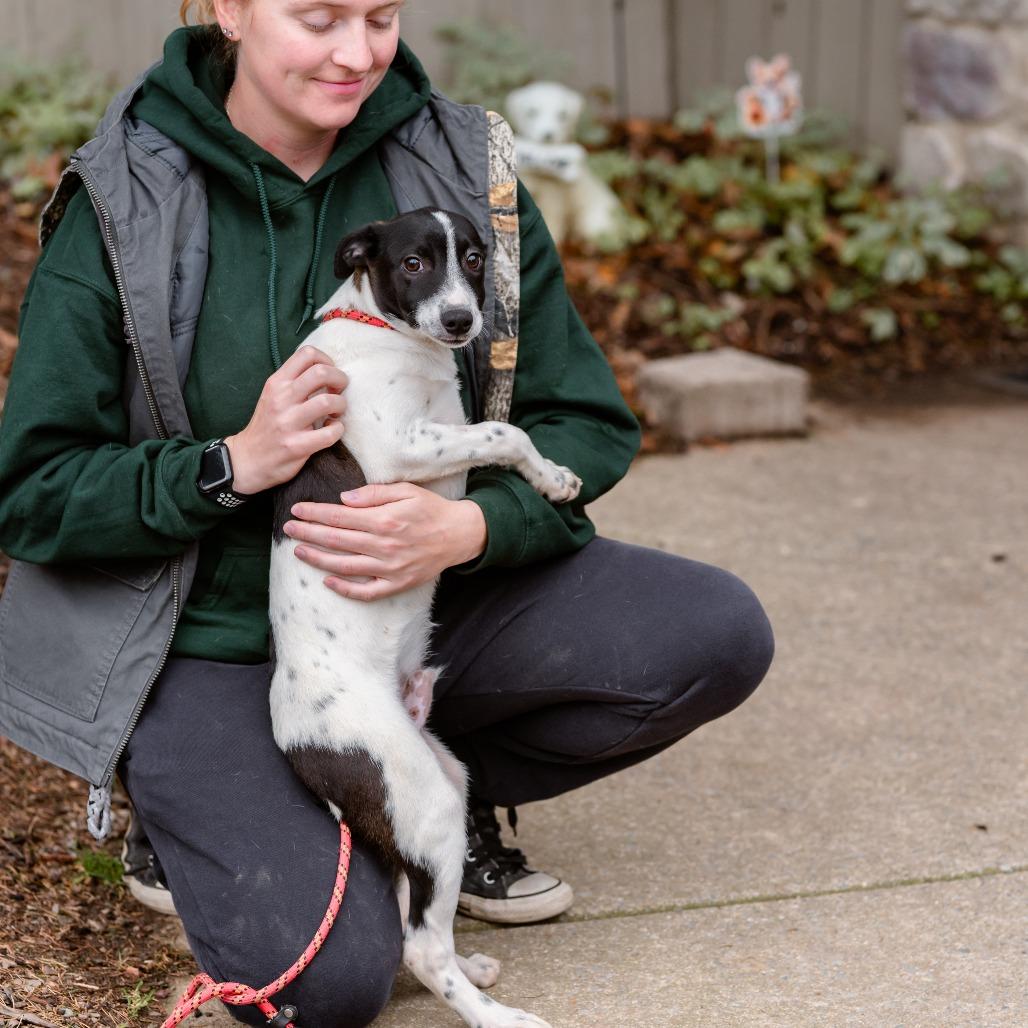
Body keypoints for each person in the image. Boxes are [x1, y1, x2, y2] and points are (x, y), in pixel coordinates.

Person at [0, 2, 775, 1025]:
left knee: (710, 631)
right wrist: (230, 462)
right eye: (319, 16)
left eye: (379, 13)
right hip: (207, 643)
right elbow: (33, 489)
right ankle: (196, 816)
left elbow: (582, 422)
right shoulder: (125, 196)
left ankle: (425, 804)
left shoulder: (460, 171)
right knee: (331, 982)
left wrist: (475, 527)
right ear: (227, 8)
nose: (359, 52)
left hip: (425, 600)